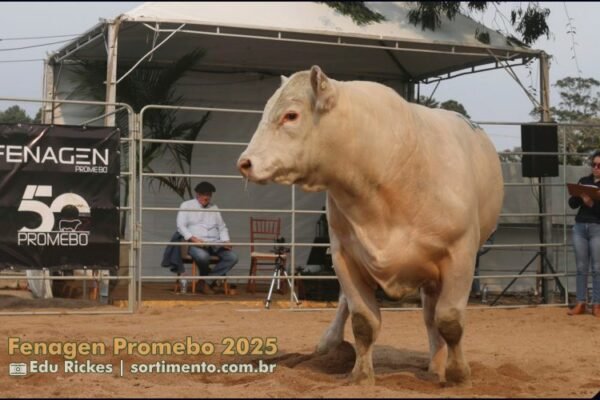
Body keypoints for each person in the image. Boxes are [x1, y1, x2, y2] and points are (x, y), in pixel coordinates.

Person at [176, 181, 238, 294]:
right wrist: (193, 238)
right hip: (195, 243)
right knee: (203, 256)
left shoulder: (214, 207)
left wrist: (226, 240)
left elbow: (222, 227)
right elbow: (180, 226)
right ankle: (209, 281)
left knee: (232, 257)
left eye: (209, 195)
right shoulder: (187, 205)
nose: (206, 197)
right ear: (197, 194)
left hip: (214, 243)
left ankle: (206, 282)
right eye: (204, 194)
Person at [567, 150, 600, 317]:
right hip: (580, 227)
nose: (596, 168)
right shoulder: (584, 181)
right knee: (581, 267)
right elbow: (572, 204)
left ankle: (597, 305)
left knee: (597, 268)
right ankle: (580, 303)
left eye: (599, 165)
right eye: (593, 164)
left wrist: (591, 203)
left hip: (597, 228)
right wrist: (579, 196)